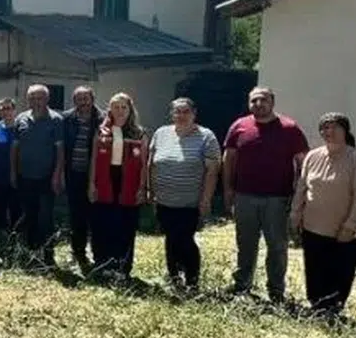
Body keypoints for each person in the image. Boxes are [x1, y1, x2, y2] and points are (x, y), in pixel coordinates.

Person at [223, 87, 309, 303]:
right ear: (248, 103)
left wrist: (299, 195)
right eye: (254, 100)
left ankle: (276, 291)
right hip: (244, 196)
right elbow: (229, 159)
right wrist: (228, 189)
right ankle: (242, 286)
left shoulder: (290, 128)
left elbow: (304, 163)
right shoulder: (239, 126)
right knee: (245, 244)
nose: (258, 104)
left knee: (277, 246)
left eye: (263, 100)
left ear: (272, 102)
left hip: (278, 199)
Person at [291, 113, 356, 316]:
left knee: (340, 271)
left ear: (345, 130)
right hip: (312, 227)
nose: (329, 131)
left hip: (342, 231)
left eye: (335, 127)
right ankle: (316, 306)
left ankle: (333, 308)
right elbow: (302, 188)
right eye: (325, 128)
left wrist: (351, 225)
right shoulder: (312, 156)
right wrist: (295, 214)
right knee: (314, 269)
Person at [148, 98, 221, 293]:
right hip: (164, 200)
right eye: (177, 112)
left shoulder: (206, 137)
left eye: (186, 111)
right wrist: (151, 192)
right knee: (171, 238)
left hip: (190, 203)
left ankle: (192, 281)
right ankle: (174, 278)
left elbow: (212, 171)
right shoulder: (161, 133)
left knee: (185, 240)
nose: (181, 115)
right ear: (172, 114)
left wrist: (206, 199)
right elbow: (151, 164)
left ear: (194, 114)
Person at [87, 93, 148, 280]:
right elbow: (94, 159)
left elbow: (144, 164)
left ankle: (122, 267)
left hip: (128, 183)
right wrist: (91, 184)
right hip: (105, 181)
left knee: (126, 225)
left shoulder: (139, 133)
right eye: (116, 107)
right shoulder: (101, 131)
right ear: (110, 110)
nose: (120, 111)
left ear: (130, 110)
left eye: (124, 107)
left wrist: (142, 188)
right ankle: (102, 263)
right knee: (102, 223)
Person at [11, 85, 65, 268]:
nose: (36, 101)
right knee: (29, 215)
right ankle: (31, 253)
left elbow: (60, 151)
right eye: (32, 98)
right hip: (25, 176)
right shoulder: (21, 119)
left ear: (47, 99)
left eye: (39, 98)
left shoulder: (56, 120)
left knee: (46, 218)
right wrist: (13, 172)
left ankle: (48, 256)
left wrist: (57, 175)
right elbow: (15, 148)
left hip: (47, 177)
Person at [63, 86, 104, 270]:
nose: (83, 102)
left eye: (86, 98)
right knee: (76, 216)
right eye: (79, 99)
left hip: (95, 176)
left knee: (96, 216)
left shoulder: (103, 119)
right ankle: (78, 253)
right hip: (73, 174)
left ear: (92, 99)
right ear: (74, 101)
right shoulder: (67, 119)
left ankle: (98, 254)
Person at [0, 98, 22, 238]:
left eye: (8, 108)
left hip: (17, 176)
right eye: (2, 109)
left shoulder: (21, 128)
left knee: (16, 208)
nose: (5, 112)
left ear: (14, 110)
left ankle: (16, 238)